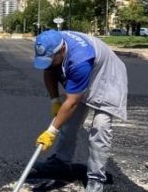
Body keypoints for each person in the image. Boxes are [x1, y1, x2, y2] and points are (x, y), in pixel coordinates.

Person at [31, 30, 128, 192]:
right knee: (68, 122)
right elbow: (48, 71)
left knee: (100, 127)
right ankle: (61, 162)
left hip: (108, 77)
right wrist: (54, 100)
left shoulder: (80, 60)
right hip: (86, 73)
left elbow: (73, 101)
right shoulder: (51, 42)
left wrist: (51, 131)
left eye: (51, 59)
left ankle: (96, 178)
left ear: (62, 51)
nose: (49, 62)